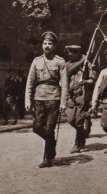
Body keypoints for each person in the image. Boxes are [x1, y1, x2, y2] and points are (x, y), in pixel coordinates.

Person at [25, 31, 68, 168]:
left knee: (49, 129)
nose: (47, 46)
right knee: (37, 127)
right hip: (39, 98)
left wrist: (63, 102)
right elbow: (30, 83)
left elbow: (65, 84)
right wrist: (27, 100)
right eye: (45, 43)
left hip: (54, 98)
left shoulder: (60, 62)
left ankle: (46, 158)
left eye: (50, 43)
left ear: (54, 46)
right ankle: (52, 142)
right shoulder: (36, 61)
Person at [65, 45, 96, 153]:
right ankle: (83, 133)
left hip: (82, 95)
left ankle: (77, 144)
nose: (68, 54)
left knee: (78, 121)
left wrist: (86, 81)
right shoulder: (67, 65)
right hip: (70, 95)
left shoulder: (86, 64)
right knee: (70, 119)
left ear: (77, 53)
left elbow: (92, 79)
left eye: (70, 52)